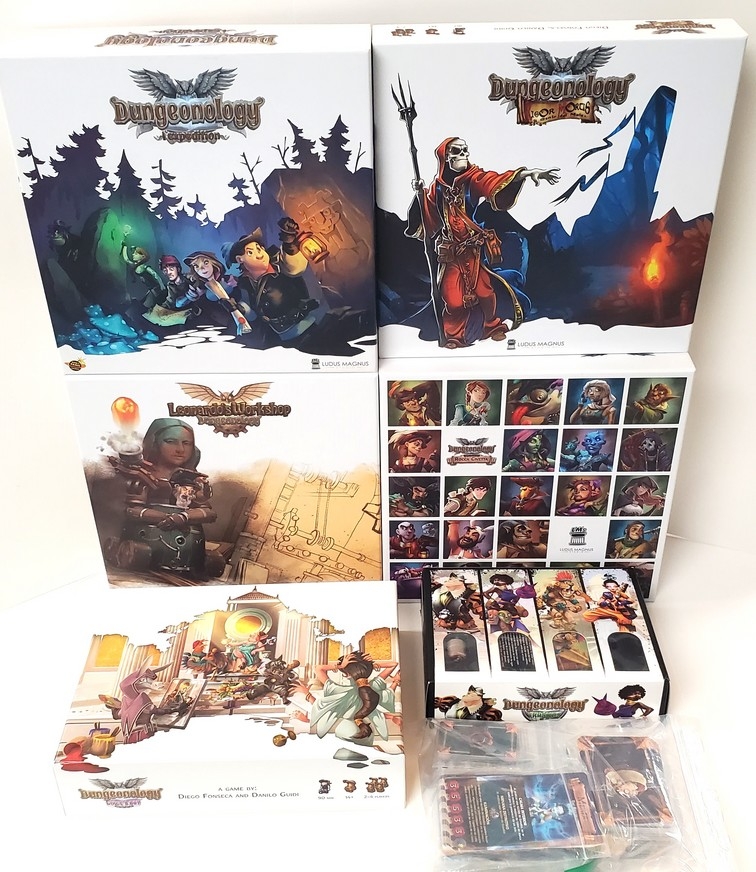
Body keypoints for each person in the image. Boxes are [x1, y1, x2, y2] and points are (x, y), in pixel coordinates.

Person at [407, 137, 558, 349]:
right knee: (452, 298)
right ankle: (454, 336)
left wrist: (526, 173)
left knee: (485, 292)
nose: (464, 155)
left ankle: (491, 325)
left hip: (473, 250)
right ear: (445, 157)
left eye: (465, 150)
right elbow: (428, 215)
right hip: (452, 253)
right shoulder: (437, 188)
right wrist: (419, 195)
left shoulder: (472, 178)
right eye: (457, 151)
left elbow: (492, 181)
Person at [179, 251, 252, 335]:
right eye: (196, 266)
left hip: (233, 323)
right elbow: (178, 304)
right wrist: (188, 297)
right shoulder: (199, 288)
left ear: (213, 263)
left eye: (206, 263)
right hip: (211, 327)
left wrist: (237, 305)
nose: (202, 268)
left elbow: (243, 298)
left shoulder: (228, 280)